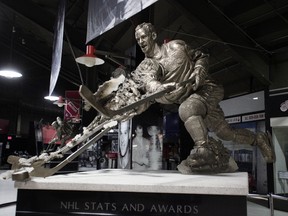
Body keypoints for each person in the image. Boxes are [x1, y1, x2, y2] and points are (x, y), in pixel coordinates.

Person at [133, 22, 275, 173]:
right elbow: (149, 84)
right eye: (138, 40)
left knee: (186, 109)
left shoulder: (176, 47)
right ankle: (258, 139)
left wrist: (199, 70)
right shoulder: (145, 66)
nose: (141, 42)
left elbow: (201, 56)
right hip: (193, 100)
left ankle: (203, 151)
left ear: (153, 36)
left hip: (206, 89)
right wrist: (154, 92)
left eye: (143, 37)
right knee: (224, 132)